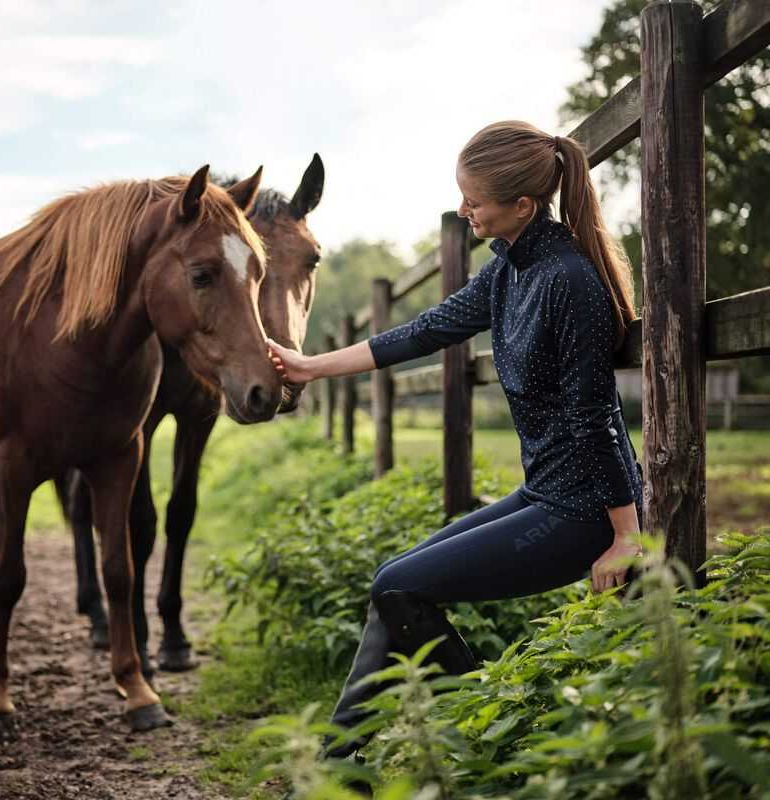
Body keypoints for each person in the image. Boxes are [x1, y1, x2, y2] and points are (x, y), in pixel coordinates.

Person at [266, 120, 643, 764]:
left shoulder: (568, 282)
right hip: (543, 492)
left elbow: (595, 416)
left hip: (585, 511)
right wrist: (308, 365)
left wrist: (627, 533)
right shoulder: (510, 273)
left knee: (398, 588)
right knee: (392, 588)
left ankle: (495, 727)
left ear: (523, 206)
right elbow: (424, 331)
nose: (464, 211)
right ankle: (334, 766)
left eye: (474, 201)